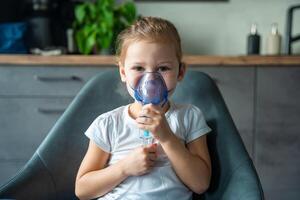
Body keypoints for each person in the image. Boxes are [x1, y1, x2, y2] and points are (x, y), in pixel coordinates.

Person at [75, 16, 212, 200]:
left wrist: (167, 137)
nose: (151, 80)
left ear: (180, 72)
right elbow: (82, 190)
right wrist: (124, 168)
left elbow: (201, 183)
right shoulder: (108, 124)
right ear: (123, 72)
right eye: (139, 68)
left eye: (163, 68)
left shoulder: (189, 117)